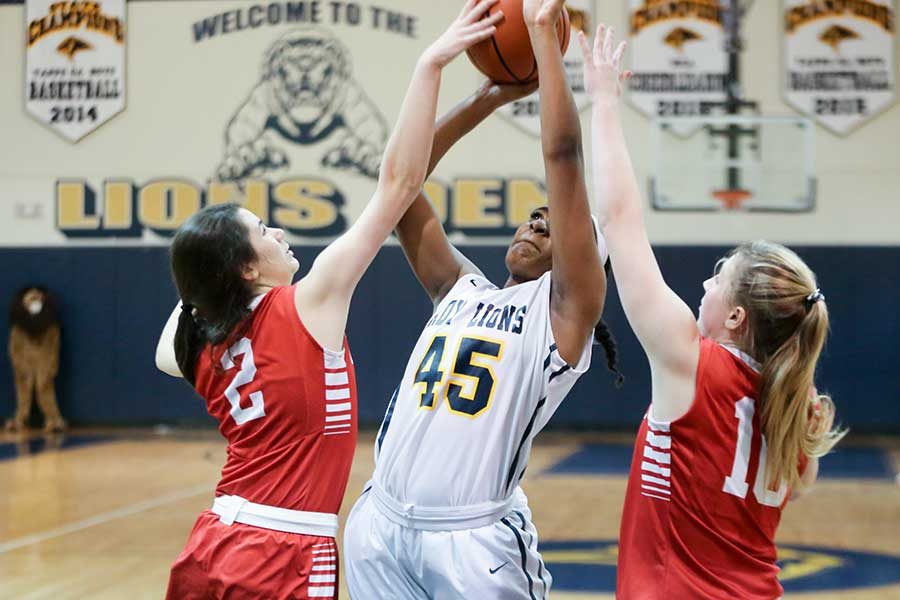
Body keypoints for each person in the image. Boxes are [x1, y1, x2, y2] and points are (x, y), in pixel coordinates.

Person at [153, 2, 505, 598]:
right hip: (282, 551)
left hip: (213, 541)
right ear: (244, 267)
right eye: (265, 231)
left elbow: (187, 311)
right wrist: (430, 63)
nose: (280, 233)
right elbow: (398, 184)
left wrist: (206, 265)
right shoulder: (306, 304)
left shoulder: (193, 347)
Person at [344, 1, 620, 597]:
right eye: (532, 217)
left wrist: (545, 43)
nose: (535, 226)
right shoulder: (461, 290)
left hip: (472, 544)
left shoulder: (561, 318)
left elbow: (563, 160)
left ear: (584, 262)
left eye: (555, 226)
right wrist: (487, 98)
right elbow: (401, 183)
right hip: (379, 523)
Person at [578, 24, 847, 599]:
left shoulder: (694, 365)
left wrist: (602, 102)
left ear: (736, 319)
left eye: (717, 280)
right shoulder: (789, 403)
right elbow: (799, 486)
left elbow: (620, 219)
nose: (704, 285)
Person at [6, 286, 65, 432]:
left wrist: (52, 365)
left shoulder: (51, 326)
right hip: (24, 358)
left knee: (44, 386)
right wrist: (16, 363)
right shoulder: (18, 327)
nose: (34, 303)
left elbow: (54, 347)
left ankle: (53, 419)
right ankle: (21, 418)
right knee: (23, 388)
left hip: (44, 358)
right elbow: (14, 347)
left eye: (36, 299)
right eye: (30, 300)